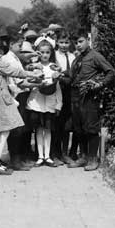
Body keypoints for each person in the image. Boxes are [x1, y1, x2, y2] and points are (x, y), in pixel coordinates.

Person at [0, 35, 40, 175]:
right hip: (1, 96)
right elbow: (15, 72)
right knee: (5, 129)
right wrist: (33, 74)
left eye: (1, 48)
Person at [68, 30, 115, 172]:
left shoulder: (95, 56)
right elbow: (72, 77)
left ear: (88, 40)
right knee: (79, 128)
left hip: (89, 96)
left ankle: (92, 159)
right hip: (76, 95)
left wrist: (99, 84)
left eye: (81, 41)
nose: (78, 45)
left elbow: (111, 72)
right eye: (76, 43)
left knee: (91, 128)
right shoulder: (77, 59)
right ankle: (83, 157)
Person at [1, 33, 37, 171]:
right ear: (11, 45)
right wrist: (36, 83)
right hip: (15, 96)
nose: (21, 48)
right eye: (19, 45)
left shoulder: (15, 57)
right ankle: (15, 159)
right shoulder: (8, 59)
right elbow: (18, 81)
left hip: (21, 95)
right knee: (16, 129)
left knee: (22, 129)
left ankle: (20, 158)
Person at [26, 39, 63, 167]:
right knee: (38, 129)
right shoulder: (35, 66)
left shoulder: (54, 67)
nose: (45, 55)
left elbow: (57, 87)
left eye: (47, 52)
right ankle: (40, 156)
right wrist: (37, 81)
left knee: (48, 129)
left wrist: (59, 104)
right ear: (38, 53)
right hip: (37, 101)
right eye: (42, 52)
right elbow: (29, 82)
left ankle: (47, 156)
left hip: (50, 102)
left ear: (51, 53)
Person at [53, 32, 76, 165]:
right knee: (56, 123)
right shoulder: (54, 55)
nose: (64, 45)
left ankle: (65, 153)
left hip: (69, 92)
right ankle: (55, 153)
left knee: (67, 124)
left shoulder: (72, 56)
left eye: (66, 42)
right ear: (57, 42)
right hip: (57, 90)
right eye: (61, 42)